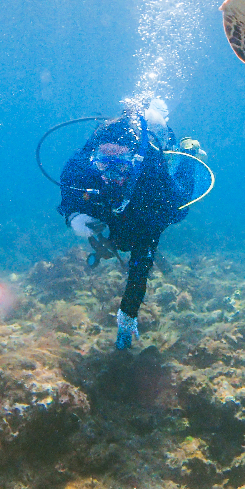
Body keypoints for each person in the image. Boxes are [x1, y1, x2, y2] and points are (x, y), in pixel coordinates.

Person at [57, 97, 204, 349]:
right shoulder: (83, 164)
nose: (109, 175)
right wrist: (73, 216)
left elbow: (142, 260)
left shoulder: (153, 184)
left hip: (152, 198)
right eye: (103, 162)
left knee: (178, 208)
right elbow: (69, 186)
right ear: (95, 156)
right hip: (120, 199)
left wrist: (128, 313)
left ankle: (188, 151)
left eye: (120, 165)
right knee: (118, 225)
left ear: (134, 162)